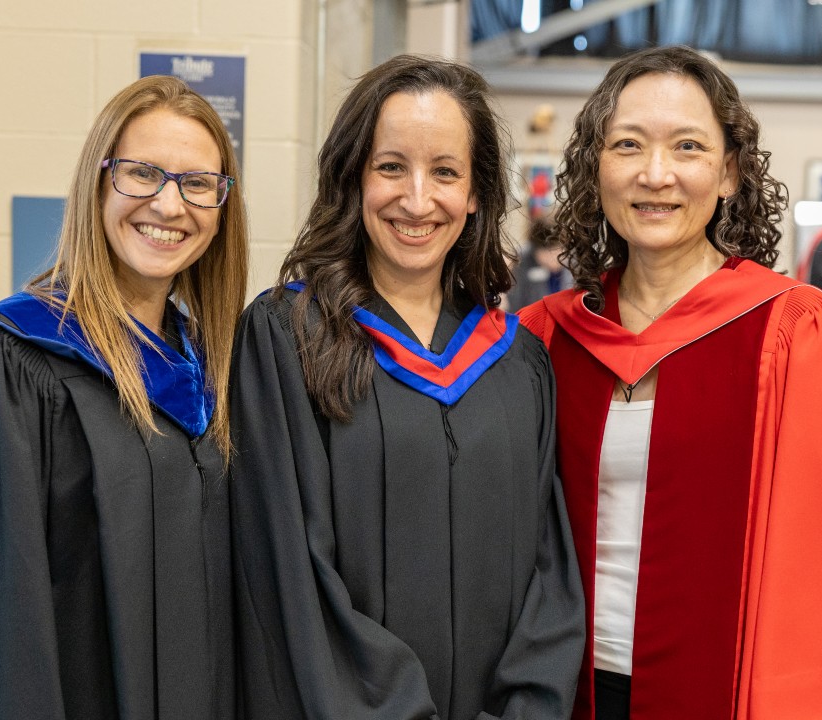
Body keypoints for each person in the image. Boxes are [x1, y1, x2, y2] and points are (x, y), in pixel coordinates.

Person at [518, 45, 822, 720]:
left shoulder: (794, 333)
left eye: (687, 147)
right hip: (558, 689)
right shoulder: (544, 337)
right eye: (627, 145)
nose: (655, 174)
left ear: (728, 173)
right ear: (595, 168)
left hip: (731, 693)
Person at [228, 55, 584, 720]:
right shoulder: (285, 339)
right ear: (353, 177)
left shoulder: (519, 364)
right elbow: (289, 578)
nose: (417, 200)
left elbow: (550, 576)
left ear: (476, 192)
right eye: (391, 166)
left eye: (445, 172)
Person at [0, 75, 248, 718]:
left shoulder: (218, 370)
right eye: (141, 173)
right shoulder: (10, 360)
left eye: (198, 183)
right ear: (98, 180)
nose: (170, 206)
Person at [506, 215, 572, 310]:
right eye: (548, 254)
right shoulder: (520, 261)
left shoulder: (574, 258)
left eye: (559, 252)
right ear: (535, 250)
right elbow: (514, 305)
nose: (554, 259)